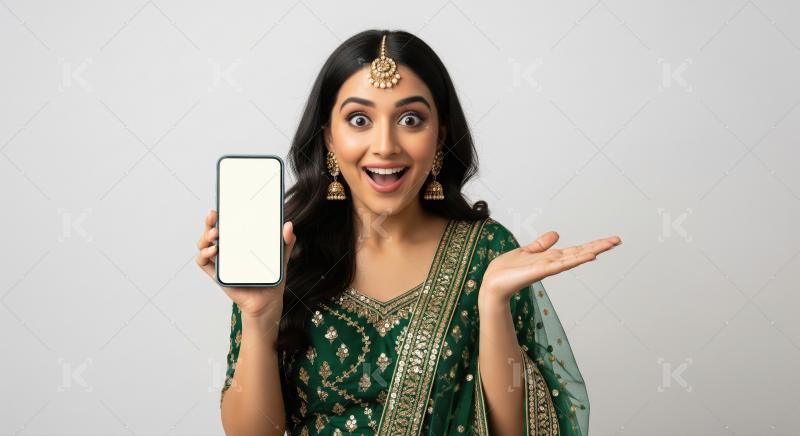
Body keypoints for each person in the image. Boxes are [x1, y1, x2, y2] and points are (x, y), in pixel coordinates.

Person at [196, 29, 621, 436]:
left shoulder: (487, 251)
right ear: (328, 139)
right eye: (359, 119)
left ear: (440, 139)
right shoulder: (288, 252)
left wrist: (492, 302)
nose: (385, 145)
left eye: (411, 119)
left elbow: (517, 432)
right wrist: (257, 317)